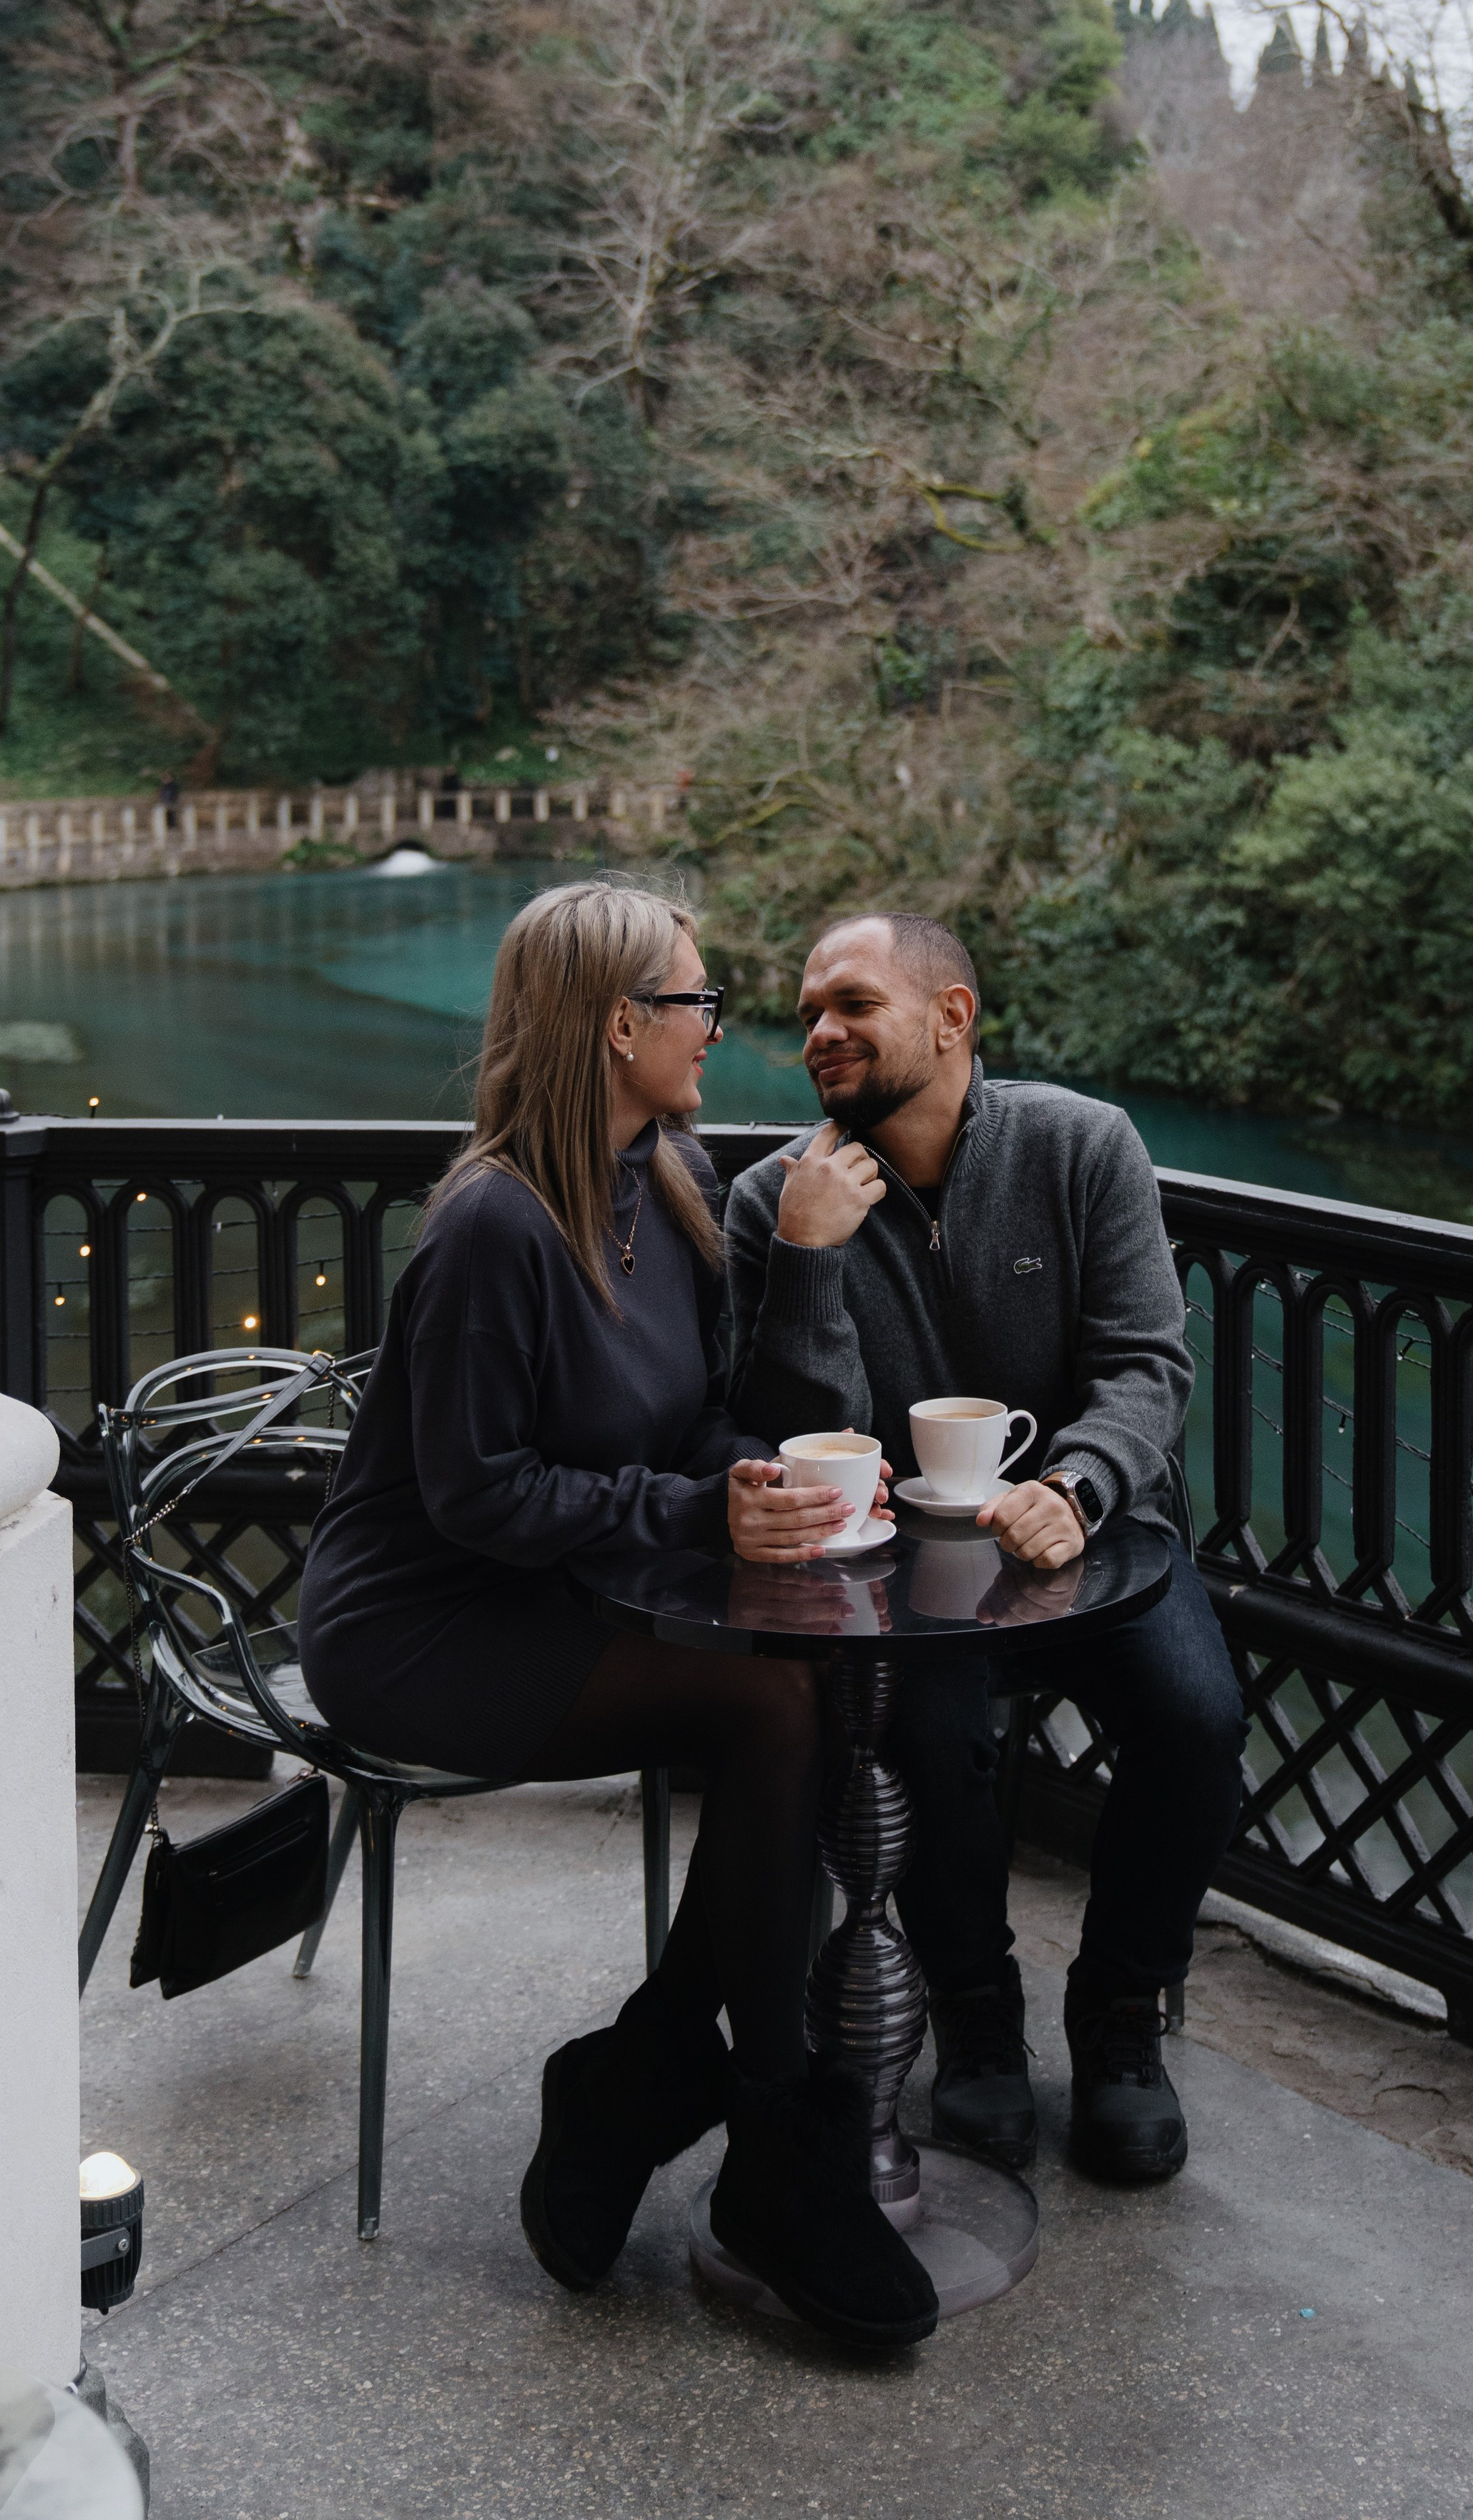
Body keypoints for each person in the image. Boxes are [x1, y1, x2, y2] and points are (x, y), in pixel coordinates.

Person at [298, 880, 937, 2348]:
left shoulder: (666, 1177)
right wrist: (693, 1512)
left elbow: (688, 1419)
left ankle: (649, 2071)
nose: (717, 1026)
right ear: (612, 1025)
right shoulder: (491, 1230)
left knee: (804, 1687)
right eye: (694, 1002)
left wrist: (750, 1478)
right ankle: (773, 2142)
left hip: (568, 1588)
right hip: (425, 1627)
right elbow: (480, 1499)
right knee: (768, 1699)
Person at [724, 911, 1246, 2184]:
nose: (820, 1035)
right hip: (903, 1574)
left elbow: (1145, 1361)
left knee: (1198, 1717)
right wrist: (807, 1262)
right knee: (931, 1733)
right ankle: (976, 2016)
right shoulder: (773, 1200)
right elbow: (807, 1441)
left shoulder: (1080, 1145)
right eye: (808, 1014)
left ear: (952, 1017)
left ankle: (1123, 2014)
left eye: (853, 1004)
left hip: (1093, 1537)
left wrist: (1079, 1480)